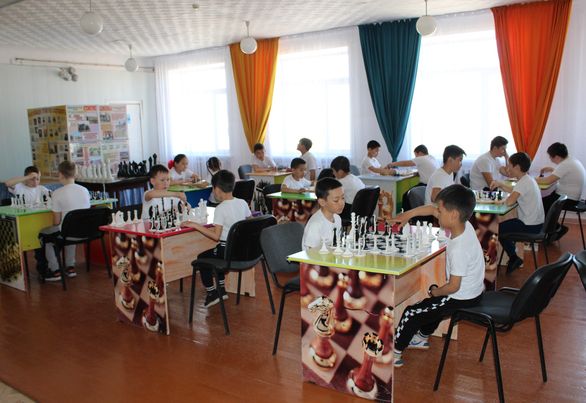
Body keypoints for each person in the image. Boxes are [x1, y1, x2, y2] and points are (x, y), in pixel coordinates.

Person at [392, 184, 484, 367]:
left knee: (413, 312)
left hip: (460, 297)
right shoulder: (465, 225)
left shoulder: (459, 248)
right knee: (432, 307)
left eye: (440, 211)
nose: (436, 214)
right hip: (474, 291)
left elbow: (453, 286)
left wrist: (436, 292)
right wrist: (408, 215)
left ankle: (394, 352)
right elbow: (432, 209)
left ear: (453, 214)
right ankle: (421, 337)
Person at [182, 170, 251, 308]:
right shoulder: (242, 203)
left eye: (213, 189)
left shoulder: (221, 208)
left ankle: (212, 292)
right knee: (214, 254)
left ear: (217, 189)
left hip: (227, 252)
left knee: (202, 259)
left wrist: (195, 225)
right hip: (242, 251)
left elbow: (216, 236)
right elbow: (249, 222)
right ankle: (221, 289)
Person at [491, 152, 544, 274]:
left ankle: (513, 257)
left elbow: (509, 202)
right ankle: (514, 257)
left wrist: (498, 200)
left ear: (517, 167)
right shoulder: (527, 179)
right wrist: (500, 184)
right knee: (502, 229)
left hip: (529, 226)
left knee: (496, 230)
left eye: (510, 166)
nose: (507, 169)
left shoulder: (523, 182)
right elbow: (515, 191)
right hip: (535, 223)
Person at [38, 161, 91, 281]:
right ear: (75, 174)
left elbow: (56, 221)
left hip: (69, 232)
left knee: (45, 235)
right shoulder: (84, 190)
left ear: (60, 174)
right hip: (84, 231)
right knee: (70, 230)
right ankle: (70, 267)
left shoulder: (57, 193)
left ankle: (55, 270)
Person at [537, 142, 586, 221]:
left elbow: (547, 181)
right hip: (571, 197)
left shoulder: (565, 164)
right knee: (546, 200)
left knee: (541, 203)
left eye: (550, 157)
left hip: (568, 199)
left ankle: (547, 226)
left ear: (556, 157)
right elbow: (565, 174)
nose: (550, 159)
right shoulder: (571, 160)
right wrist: (552, 169)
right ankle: (551, 224)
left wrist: (530, 179)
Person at [302, 177, 345, 250]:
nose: (342, 203)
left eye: (343, 198)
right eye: (336, 200)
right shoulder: (315, 224)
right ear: (322, 202)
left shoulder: (337, 218)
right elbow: (311, 253)